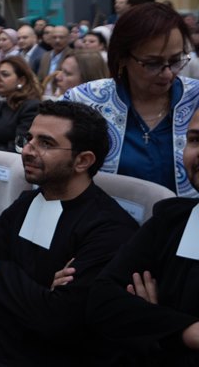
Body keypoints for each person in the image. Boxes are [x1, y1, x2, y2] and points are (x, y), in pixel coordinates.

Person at [0, 100, 140, 367]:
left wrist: (0, 270)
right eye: (29, 139)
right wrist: (41, 290)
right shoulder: (25, 204)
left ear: (83, 161)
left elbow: (58, 321)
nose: (27, 150)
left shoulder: (110, 230)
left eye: (45, 143)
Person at [87, 106, 199, 366]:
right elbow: (101, 302)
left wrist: (152, 322)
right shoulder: (170, 220)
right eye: (195, 140)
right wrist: (187, 332)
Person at [65, 2, 199, 196]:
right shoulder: (84, 101)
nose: (168, 73)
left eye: (176, 60)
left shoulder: (195, 98)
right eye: (153, 63)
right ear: (122, 58)